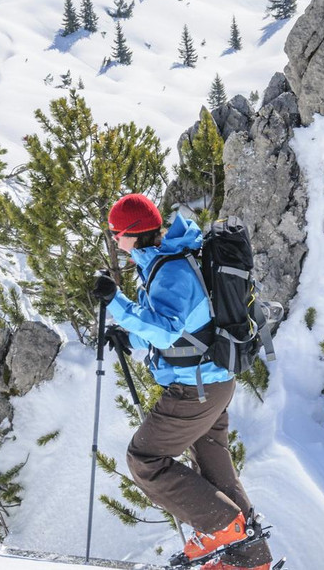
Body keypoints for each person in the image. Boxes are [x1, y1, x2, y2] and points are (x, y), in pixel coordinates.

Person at [92, 193, 272, 570]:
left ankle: (222, 528)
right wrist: (130, 337)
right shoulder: (171, 259)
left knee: (145, 459)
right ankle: (249, 561)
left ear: (132, 234)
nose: (113, 240)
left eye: (115, 233)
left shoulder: (171, 271)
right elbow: (187, 327)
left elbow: (166, 332)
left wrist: (118, 304)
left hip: (196, 389)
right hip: (213, 381)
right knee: (214, 465)